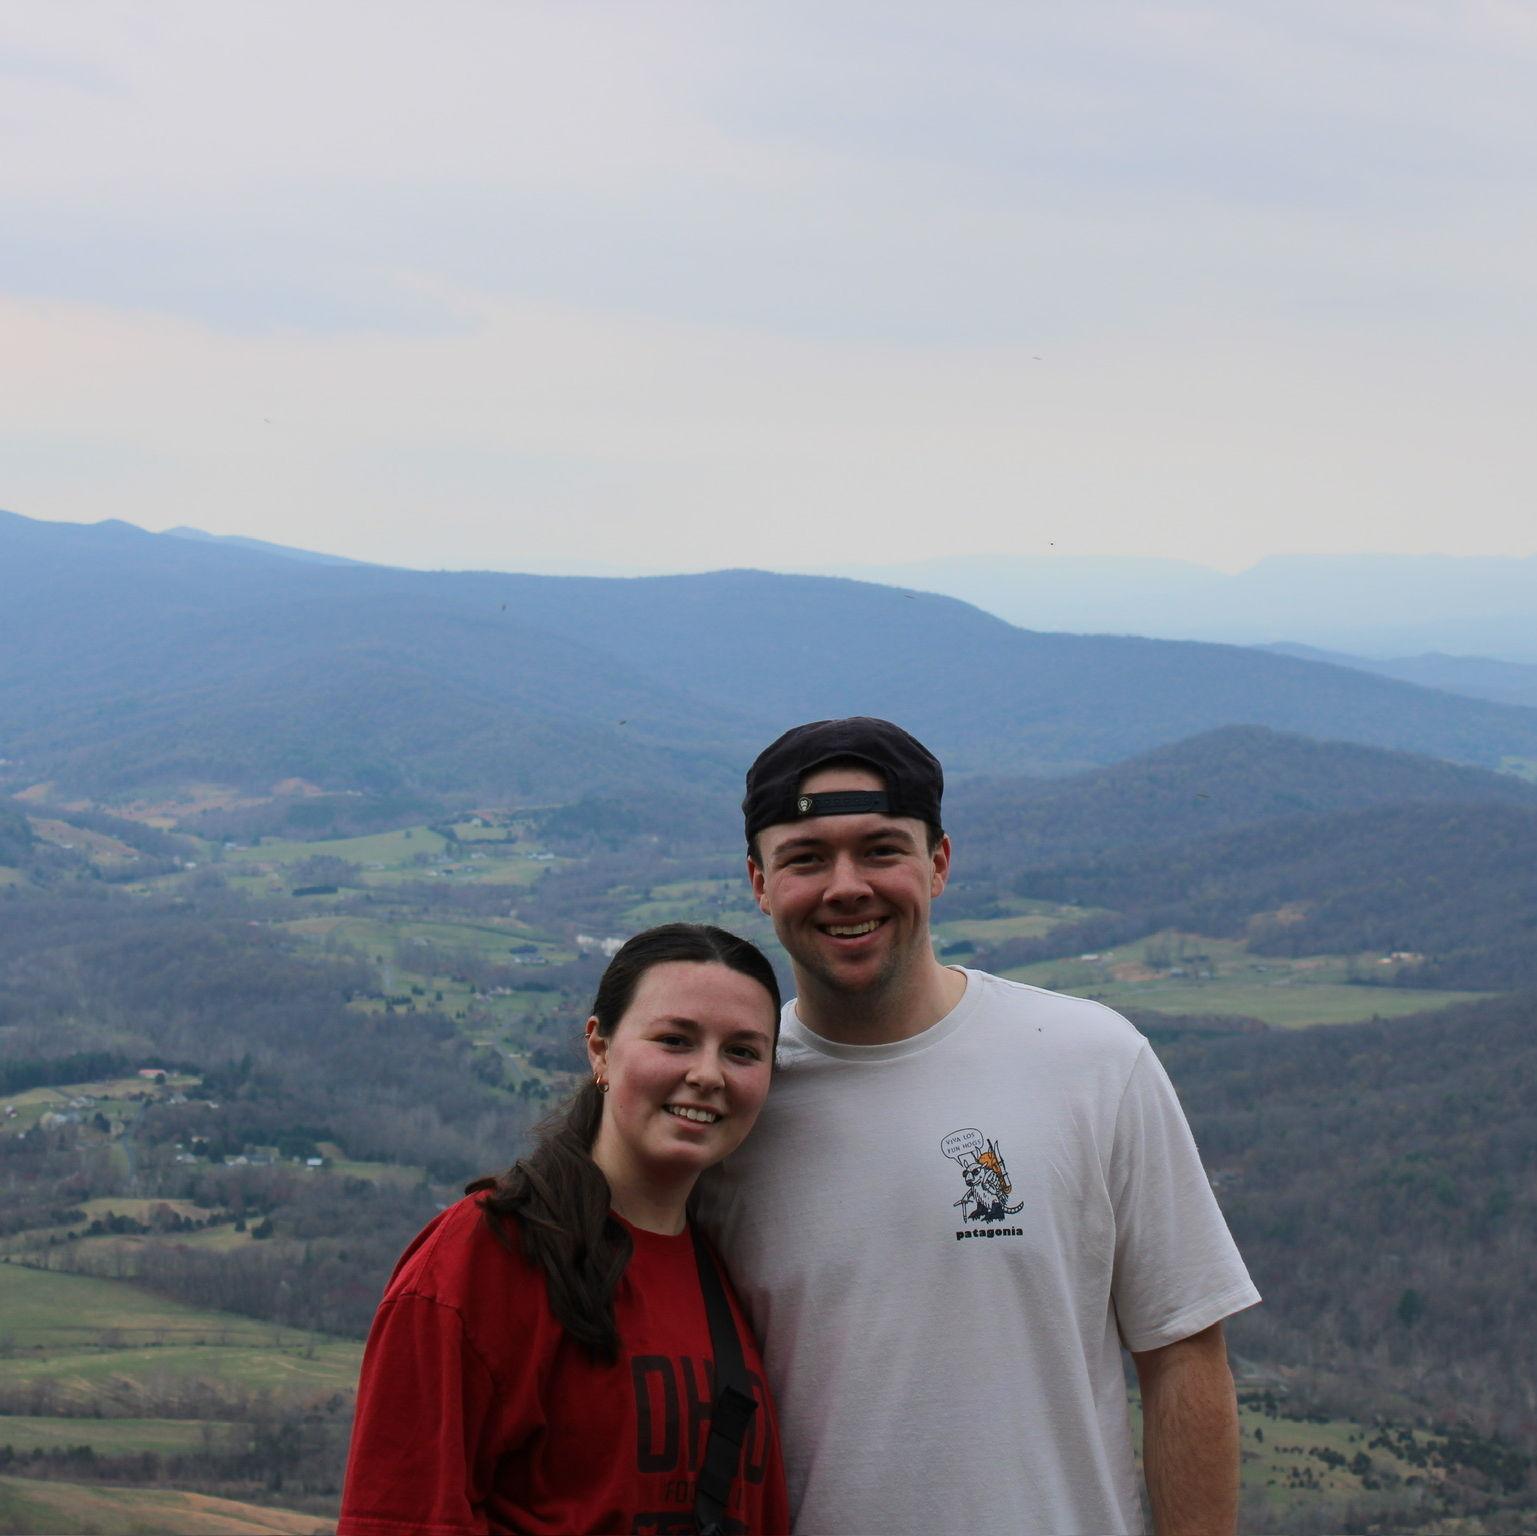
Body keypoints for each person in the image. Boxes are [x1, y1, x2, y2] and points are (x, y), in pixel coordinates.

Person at [695, 718, 1260, 1536]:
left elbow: (1182, 1353)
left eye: (881, 850)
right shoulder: (728, 1105)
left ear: (938, 863)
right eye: (805, 858)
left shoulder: (1092, 1060)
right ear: (759, 881)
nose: (845, 886)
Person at [337, 923, 791, 1536]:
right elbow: (399, 1518)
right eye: (675, 1040)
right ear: (600, 1048)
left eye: (742, 1052)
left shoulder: (730, 1274)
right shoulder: (486, 1257)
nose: (708, 1074)